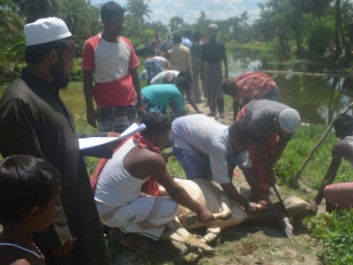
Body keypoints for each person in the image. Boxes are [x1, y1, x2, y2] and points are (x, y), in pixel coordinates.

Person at [0, 17, 111, 264]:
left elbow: (60, 141)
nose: (73, 64)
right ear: (52, 56)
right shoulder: (20, 102)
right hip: (58, 223)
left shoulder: (46, 92)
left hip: (75, 205)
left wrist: (103, 139)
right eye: (71, 56)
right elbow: (31, 180)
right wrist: (57, 232)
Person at [93, 112, 215, 242]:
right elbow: (175, 191)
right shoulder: (151, 158)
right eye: (166, 135)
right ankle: (129, 229)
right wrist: (201, 210)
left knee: (161, 194)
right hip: (110, 214)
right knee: (172, 208)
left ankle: (129, 224)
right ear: (155, 135)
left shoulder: (132, 139)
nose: (168, 139)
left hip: (101, 205)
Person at [170, 114, 265, 215]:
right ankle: (195, 207)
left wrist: (258, 196)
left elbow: (247, 167)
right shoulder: (218, 144)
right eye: (247, 146)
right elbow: (222, 180)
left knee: (227, 162)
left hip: (197, 129)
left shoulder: (240, 140)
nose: (248, 149)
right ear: (236, 140)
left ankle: (226, 195)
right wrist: (246, 204)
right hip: (180, 133)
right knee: (197, 178)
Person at [82, 1, 144, 133]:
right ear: (104, 20)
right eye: (116, 22)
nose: (120, 26)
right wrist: (89, 108)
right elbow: (87, 80)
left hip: (129, 103)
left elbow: (134, 74)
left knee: (129, 144)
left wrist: (141, 103)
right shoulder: (91, 45)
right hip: (105, 105)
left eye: (121, 21)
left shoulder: (127, 43)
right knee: (110, 147)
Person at [0, 155, 62, 265]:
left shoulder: (15, 243)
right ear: (35, 214)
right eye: (56, 203)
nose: (57, 207)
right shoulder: (20, 262)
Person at [236, 99, 301, 199]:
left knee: (270, 153)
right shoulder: (260, 118)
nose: (283, 135)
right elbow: (259, 147)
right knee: (254, 158)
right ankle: (257, 190)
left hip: (267, 124)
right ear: (276, 122)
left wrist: (270, 166)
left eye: (285, 134)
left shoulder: (291, 123)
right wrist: (268, 169)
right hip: (249, 119)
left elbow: (281, 145)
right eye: (281, 132)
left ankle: (263, 185)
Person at [201, 23, 228, 118]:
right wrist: (201, 73)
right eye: (211, 30)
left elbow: (225, 58)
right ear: (208, 32)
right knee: (209, 89)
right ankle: (212, 110)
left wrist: (226, 71)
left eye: (214, 30)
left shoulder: (221, 45)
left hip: (217, 67)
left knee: (219, 89)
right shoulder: (205, 46)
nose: (212, 32)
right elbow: (203, 60)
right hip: (208, 68)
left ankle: (221, 111)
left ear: (217, 32)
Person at [190, 31, 203, 103]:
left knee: (195, 82)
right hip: (202, 64)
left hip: (194, 64)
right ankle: (206, 97)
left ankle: (198, 98)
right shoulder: (202, 46)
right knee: (204, 81)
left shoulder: (191, 47)